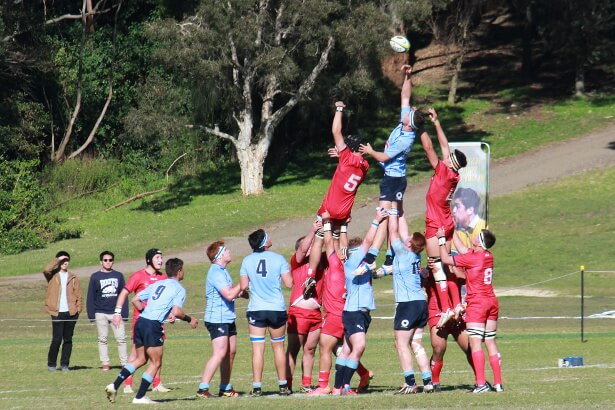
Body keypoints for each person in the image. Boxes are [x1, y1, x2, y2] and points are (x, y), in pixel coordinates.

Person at [356, 65, 424, 277]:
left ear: (410, 123)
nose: (409, 109)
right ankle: (390, 258)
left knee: (383, 216)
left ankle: (370, 259)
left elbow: (384, 157)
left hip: (393, 180)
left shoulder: (405, 138)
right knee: (396, 215)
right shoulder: (404, 123)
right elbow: (405, 96)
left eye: (411, 112)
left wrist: (369, 150)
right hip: (393, 178)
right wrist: (407, 76)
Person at [105, 258, 198, 404]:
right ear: (179, 271)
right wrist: (190, 319)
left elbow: (135, 299)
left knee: (140, 359)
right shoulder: (179, 289)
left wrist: (147, 311)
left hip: (141, 322)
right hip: (152, 325)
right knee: (156, 363)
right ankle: (140, 397)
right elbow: (177, 311)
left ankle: (114, 385)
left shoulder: (158, 283)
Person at [306, 101, 370, 294]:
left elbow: (336, 131)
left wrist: (339, 109)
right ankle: (341, 271)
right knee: (337, 238)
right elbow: (351, 162)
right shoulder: (365, 166)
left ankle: (310, 275)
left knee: (319, 240)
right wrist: (340, 156)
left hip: (330, 207)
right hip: (344, 211)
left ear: (347, 148)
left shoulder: (347, 157)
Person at [307, 222, 372, 396]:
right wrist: (342, 229)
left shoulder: (336, 264)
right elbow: (341, 246)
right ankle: (359, 375)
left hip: (335, 314)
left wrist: (327, 225)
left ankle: (324, 385)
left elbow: (330, 245)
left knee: (326, 348)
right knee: (344, 350)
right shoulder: (352, 266)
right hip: (349, 313)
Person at [436, 227, 503, 393]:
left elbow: (445, 258)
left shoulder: (473, 258)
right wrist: (452, 230)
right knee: (491, 342)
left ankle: (480, 384)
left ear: (479, 242)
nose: (473, 237)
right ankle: (498, 384)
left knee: (475, 344)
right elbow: (464, 250)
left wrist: (441, 239)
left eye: (476, 236)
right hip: (491, 302)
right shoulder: (487, 256)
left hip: (477, 303)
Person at [331, 207, 388, 395]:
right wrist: (376, 219)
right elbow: (369, 241)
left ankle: (337, 387)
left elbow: (375, 245)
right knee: (359, 346)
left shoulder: (362, 264)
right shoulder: (353, 261)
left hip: (360, 313)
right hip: (354, 312)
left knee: (347, 350)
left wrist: (385, 222)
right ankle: (346, 386)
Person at [420, 108, 468, 328]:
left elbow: (430, 147)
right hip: (447, 221)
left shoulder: (442, 171)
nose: (446, 155)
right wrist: (436, 123)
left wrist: (418, 126)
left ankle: (446, 307)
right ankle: (457, 304)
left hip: (437, 222)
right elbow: (444, 146)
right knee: (446, 264)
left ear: (450, 162)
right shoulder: (453, 174)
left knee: (434, 264)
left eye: (449, 157)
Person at [386, 206, 434, 394]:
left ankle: (410, 382)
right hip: (421, 303)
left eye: (407, 239)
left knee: (401, 343)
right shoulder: (415, 254)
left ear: (408, 244)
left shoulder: (403, 253)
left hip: (408, 304)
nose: (404, 238)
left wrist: (391, 213)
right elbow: (404, 232)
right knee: (416, 343)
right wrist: (400, 210)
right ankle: (428, 381)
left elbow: (393, 232)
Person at [240, 229, 293, 396]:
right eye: (267, 236)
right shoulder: (278, 259)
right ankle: (283, 385)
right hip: (276, 308)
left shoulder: (247, 261)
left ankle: (257, 387)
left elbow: (243, 287)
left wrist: (252, 292)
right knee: (278, 347)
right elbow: (289, 283)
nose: (270, 238)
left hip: (256, 309)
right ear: (264, 242)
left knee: (257, 349)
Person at [111, 248, 168, 393]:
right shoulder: (138, 276)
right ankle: (127, 384)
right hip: (141, 321)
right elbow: (124, 293)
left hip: (157, 321)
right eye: (157, 257)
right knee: (136, 354)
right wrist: (117, 313)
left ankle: (157, 384)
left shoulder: (163, 277)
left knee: (158, 353)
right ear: (149, 260)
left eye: (161, 258)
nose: (160, 260)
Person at [197, 241, 245, 399]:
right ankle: (202, 389)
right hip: (217, 318)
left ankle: (225, 387)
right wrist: (242, 284)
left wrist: (242, 290)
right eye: (226, 250)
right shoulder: (216, 272)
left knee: (231, 352)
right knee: (219, 353)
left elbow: (232, 292)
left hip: (228, 317)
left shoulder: (223, 271)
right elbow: (229, 294)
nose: (229, 252)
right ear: (219, 256)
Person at [285, 220, 326, 393]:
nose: (311, 248)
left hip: (316, 313)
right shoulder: (297, 262)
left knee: (310, 349)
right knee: (293, 350)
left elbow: (333, 247)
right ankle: (286, 385)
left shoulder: (321, 263)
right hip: (298, 312)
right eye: (309, 245)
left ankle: (306, 384)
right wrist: (314, 229)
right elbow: (303, 250)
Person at [423, 265, 474, 393]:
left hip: (455, 313)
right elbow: (419, 281)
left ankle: (480, 380)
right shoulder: (431, 268)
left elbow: (465, 278)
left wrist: (451, 267)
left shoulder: (454, 265)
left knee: (470, 347)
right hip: (437, 312)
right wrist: (427, 270)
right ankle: (434, 382)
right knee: (439, 348)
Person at [87, 251, 128, 371]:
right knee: (102, 339)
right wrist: (91, 314)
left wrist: (123, 314)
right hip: (100, 312)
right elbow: (91, 296)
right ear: (101, 262)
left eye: (110, 260)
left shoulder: (119, 276)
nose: (108, 262)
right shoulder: (95, 277)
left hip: (116, 313)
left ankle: (124, 363)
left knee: (121, 338)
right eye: (105, 260)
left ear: (113, 261)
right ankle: (105, 363)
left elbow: (123, 295)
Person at [43, 251, 82, 372]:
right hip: (57, 312)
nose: (65, 263)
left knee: (68, 339)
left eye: (67, 260)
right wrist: (57, 260)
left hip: (71, 313)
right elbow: (46, 269)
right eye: (62, 261)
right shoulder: (52, 275)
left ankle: (65, 364)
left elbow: (78, 295)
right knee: (56, 339)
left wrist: (78, 309)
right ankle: (51, 364)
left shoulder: (73, 277)